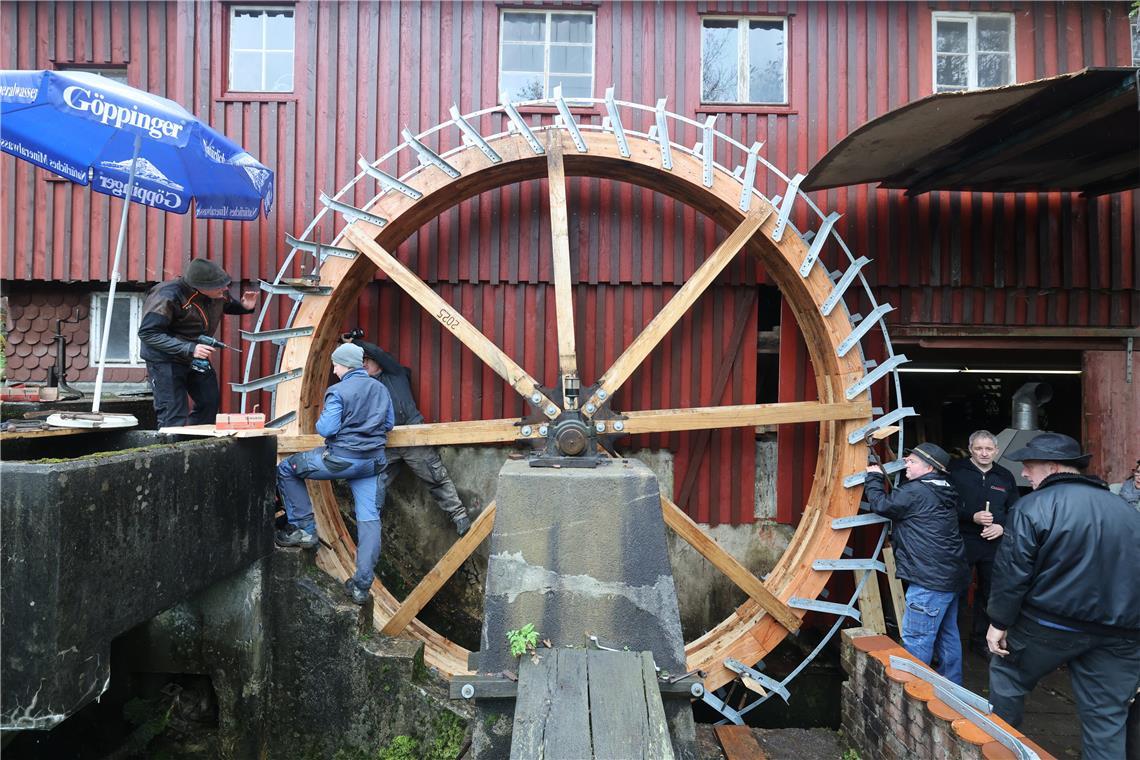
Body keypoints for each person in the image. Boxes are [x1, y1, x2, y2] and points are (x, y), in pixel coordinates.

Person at [986, 433, 1140, 760]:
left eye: (1029, 466)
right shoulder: (1127, 510)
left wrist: (999, 622)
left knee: (1007, 676)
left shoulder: (1031, 506)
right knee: (1107, 719)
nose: (1024, 474)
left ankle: (998, 751)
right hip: (1120, 634)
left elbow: (1012, 572)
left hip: (1050, 625)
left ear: (1053, 467)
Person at [276, 343, 395, 605]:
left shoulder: (338, 391)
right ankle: (361, 586)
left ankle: (304, 530)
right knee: (369, 519)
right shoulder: (381, 389)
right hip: (372, 464)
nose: (333, 369)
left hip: (341, 460)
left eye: (336, 365)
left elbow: (326, 429)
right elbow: (388, 424)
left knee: (287, 469)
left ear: (346, 365)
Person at [864, 442, 969, 684]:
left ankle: (913, 693)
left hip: (928, 580)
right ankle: (952, 689)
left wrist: (874, 478)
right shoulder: (946, 488)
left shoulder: (915, 492)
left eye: (912, 461)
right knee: (947, 635)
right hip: (951, 577)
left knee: (917, 639)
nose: (906, 464)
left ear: (930, 467)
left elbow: (882, 505)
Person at [351, 337, 472, 537]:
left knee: (434, 476)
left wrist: (356, 341)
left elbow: (378, 352)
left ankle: (459, 516)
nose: (363, 364)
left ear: (378, 361)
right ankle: (367, 525)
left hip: (412, 435)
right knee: (375, 482)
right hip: (386, 442)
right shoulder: (365, 385)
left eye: (367, 360)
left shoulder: (395, 373)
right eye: (360, 362)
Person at [138, 258, 257, 428]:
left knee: (209, 402)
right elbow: (148, 333)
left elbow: (227, 305)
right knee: (173, 413)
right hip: (165, 359)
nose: (225, 289)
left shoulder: (216, 292)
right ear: (200, 287)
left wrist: (244, 307)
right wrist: (189, 348)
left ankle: (193, 446)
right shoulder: (166, 296)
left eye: (225, 284)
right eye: (220, 286)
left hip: (194, 353)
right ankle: (171, 450)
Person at [948, 430, 1020, 658]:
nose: (984, 453)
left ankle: (981, 641)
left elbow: (1015, 509)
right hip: (963, 539)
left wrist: (1002, 526)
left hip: (993, 542)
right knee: (956, 590)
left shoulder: (1005, 476)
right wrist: (972, 516)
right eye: (979, 448)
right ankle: (950, 642)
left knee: (989, 593)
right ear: (970, 449)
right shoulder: (956, 471)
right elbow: (945, 506)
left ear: (996, 451)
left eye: (989, 449)